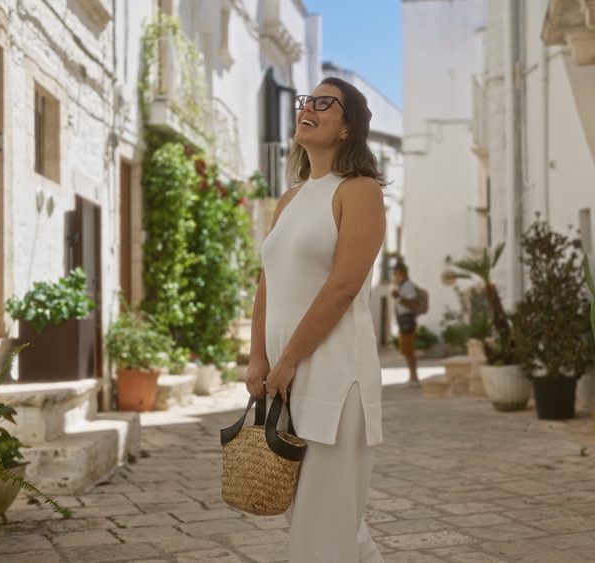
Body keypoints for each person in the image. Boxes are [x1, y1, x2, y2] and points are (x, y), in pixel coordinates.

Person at [244, 76, 387, 562]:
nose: (309, 106)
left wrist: (287, 361)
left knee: (320, 531)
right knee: (333, 526)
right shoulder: (291, 198)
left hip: (332, 375)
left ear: (348, 128)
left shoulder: (359, 190)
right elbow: (268, 281)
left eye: (326, 103)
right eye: (307, 99)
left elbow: (344, 286)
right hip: (284, 378)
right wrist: (258, 357)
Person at [390, 262, 420, 387]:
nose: (393, 274)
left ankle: (414, 377)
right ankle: (412, 376)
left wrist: (399, 298)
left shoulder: (408, 286)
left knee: (409, 351)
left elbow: (413, 304)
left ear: (400, 272)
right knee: (407, 351)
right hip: (403, 321)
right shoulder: (402, 285)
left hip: (407, 320)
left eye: (395, 271)